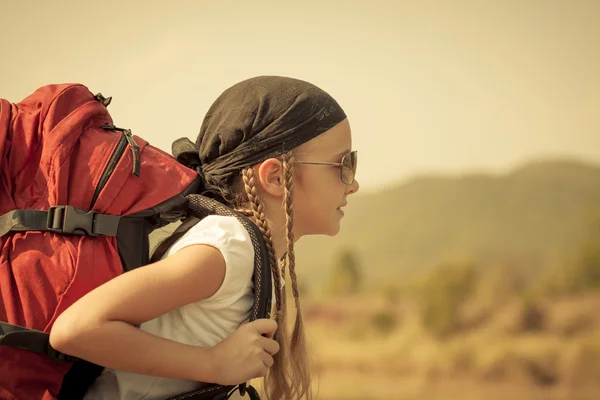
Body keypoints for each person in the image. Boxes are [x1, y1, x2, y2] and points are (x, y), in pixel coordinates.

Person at [49, 75, 360, 400]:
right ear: (276, 177)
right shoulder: (228, 247)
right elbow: (76, 329)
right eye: (343, 164)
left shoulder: (249, 251)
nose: (352, 184)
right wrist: (212, 363)